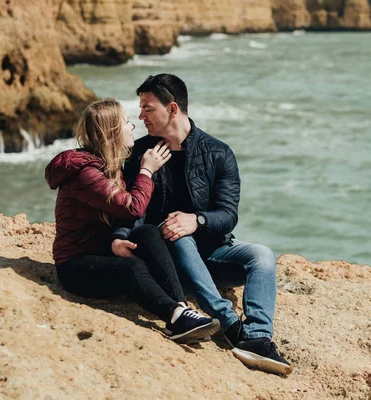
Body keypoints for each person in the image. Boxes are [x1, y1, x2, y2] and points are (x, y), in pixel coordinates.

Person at [112, 74, 293, 375]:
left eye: (147, 108)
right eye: (140, 108)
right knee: (176, 232)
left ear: (172, 109)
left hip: (212, 255)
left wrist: (197, 220)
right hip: (167, 260)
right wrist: (120, 237)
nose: (140, 115)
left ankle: (259, 337)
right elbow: (132, 207)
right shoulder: (140, 154)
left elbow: (227, 214)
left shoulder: (218, 153)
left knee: (262, 254)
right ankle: (232, 327)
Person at [45, 98, 220, 344]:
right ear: (113, 132)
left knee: (148, 232)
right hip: (76, 266)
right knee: (132, 267)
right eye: (126, 122)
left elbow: (134, 218)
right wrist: (147, 171)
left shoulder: (109, 165)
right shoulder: (86, 174)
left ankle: (181, 308)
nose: (132, 127)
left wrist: (118, 239)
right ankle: (173, 316)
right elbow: (133, 208)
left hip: (102, 251)